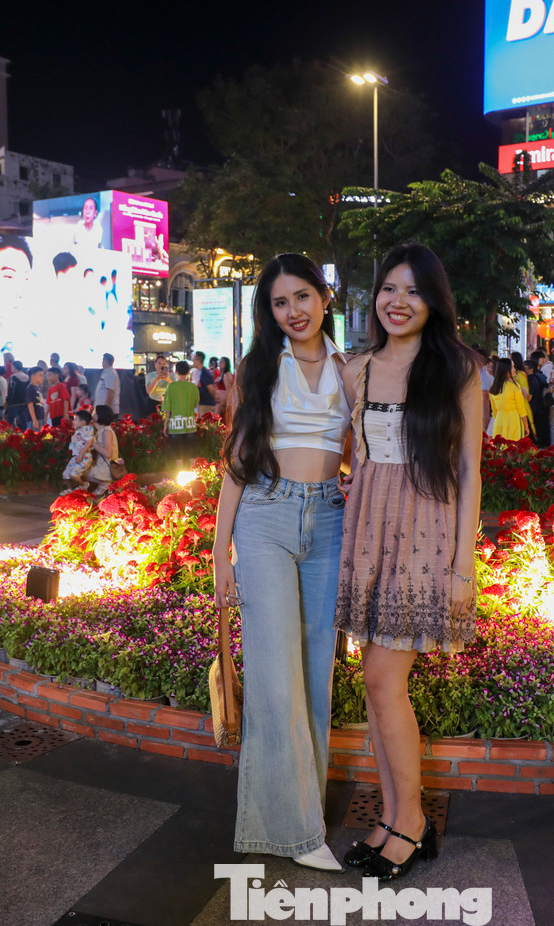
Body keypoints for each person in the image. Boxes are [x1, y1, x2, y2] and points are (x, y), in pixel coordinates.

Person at [334, 243, 479, 883]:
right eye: (389, 289)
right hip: (369, 531)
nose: (398, 301)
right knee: (375, 684)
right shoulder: (358, 370)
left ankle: (412, 822)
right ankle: (394, 815)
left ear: (433, 301)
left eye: (413, 290)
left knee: (383, 680)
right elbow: (351, 453)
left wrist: (462, 568)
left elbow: (470, 472)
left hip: (425, 535)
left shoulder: (457, 371)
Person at [210, 253, 351, 873]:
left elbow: (363, 455)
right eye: (279, 302)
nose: (293, 311)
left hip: (329, 518)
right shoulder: (260, 368)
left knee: (316, 673)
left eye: (302, 296)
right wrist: (221, 552)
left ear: (324, 297)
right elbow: (238, 461)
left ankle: (303, 816)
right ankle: (296, 833)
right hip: (265, 517)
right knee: (273, 675)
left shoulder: (351, 370)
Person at [162, 359, 201, 466]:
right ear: (188, 372)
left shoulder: (171, 387)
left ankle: (180, 475)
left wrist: (165, 424)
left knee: (178, 456)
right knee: (192, 454)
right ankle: (193, 476)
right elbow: (195, 404)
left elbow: (167, 408)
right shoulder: (193, 387)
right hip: (190, 424)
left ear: (176, 372)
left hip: (176, 425)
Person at [487, 358, 530, 441]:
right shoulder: (514, 386)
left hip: (499, 421)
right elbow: (521, 409)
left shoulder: (493, 388)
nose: (514, 369)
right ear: (506, 370)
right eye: (512, 367)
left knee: (500, 446)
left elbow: (494, 412)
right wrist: (526, 426)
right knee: (513, 446)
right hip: (513, 421)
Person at [525, 359, 551, 448]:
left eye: (525, 368)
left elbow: (530, 396)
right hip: (542, 406)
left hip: (534, 407)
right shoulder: (540, 376)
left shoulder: (530, 378)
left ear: (531, 369)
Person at [192, 350, 217, 418]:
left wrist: (215, 401)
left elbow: (211, 389)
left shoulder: (205, 373)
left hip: (206, 405)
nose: (193, 361)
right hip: (201, 404)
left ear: (198, 360)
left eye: (194, 359)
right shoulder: (198, 372)